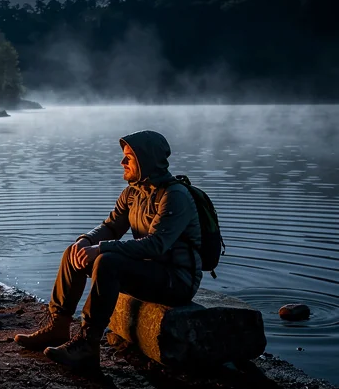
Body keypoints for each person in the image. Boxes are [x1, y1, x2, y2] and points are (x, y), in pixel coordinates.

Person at [14, 130, 203, 369]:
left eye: (129, 158)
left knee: (108, 263)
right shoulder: (133, 192)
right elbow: (111, 227)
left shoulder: (175, 196)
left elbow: (156, 245)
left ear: (146, 160)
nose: (122, 162)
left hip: (177, 280)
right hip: (149, 270)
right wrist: (86, 241)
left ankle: (88, 344)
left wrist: (100, 249)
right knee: (73, 252)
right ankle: (58, 326)